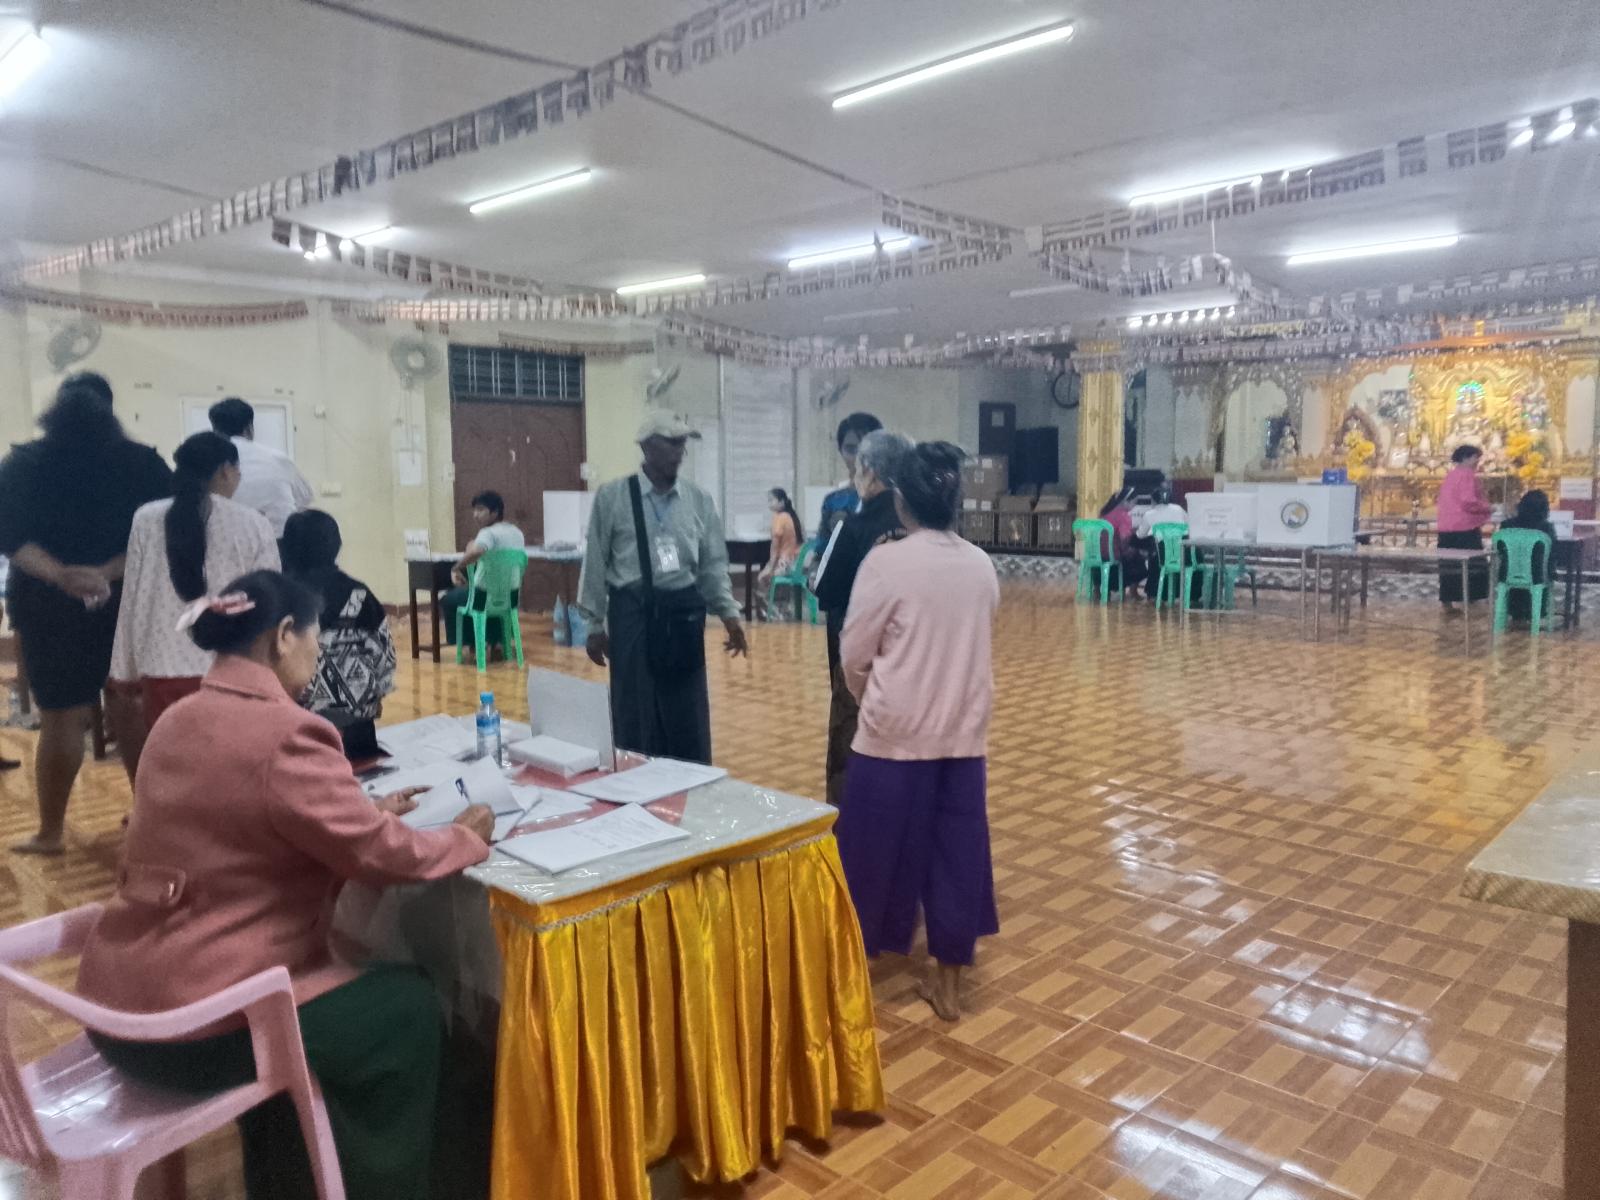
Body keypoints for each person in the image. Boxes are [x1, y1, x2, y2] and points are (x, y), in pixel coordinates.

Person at [77, 570, 495, 1200]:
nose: (318, 652)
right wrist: (464, 837)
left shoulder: (176, 720)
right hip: (195, 1028)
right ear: (282, 636)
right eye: (314, 637)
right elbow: (380, 855)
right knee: (405, 1008)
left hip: (114, 1008)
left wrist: (359, 810)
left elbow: (235, 823)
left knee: (323, 1010)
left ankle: (287, 1181)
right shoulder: (288, 732)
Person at [835, 441, 1000, 1023]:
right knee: (957, 857)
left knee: (866, 857)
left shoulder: (886, 563)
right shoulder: (981, 566)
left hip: (892, 736)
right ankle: (948, 988)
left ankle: (849, 979)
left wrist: (872, 702)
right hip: (962, 736)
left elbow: (854, 654)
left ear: (901, 500)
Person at [0, 374, 172, 854]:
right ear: (110, 410)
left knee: (61, 717)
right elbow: (162, 532)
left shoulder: (23, 463)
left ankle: (50, 833)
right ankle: (152, 825)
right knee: (130, 710)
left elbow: (9, 537)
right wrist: (105, 572)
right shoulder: (143, 463)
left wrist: (61, 575)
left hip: (46, 605)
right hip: (124, 600)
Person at [576, 412, 748, 764]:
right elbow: (595, 562)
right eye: (671, 442)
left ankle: (689, 780)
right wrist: (593, 624)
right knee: (636, 712)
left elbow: (713, 565)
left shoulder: (698, 500)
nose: (679, 451)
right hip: (633, 616)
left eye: (683, 443)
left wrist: (729, 615)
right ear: (647, 447)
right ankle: (637, 779)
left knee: (687, 712)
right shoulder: (613, 497)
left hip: (683, 617)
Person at [108, 432, 279, 784]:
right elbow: (270, 602)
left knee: (175, 769)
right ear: (226, 471)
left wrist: (124, 669)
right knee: (230, 769)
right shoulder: (252, 523)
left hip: (162, 667)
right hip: (233, 667)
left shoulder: (146, 518)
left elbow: (133, 596)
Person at [814, 429, 912, 806]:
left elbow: (824, 588)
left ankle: (851, 822)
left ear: (868, 471)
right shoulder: (920, 525)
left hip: (860, 664)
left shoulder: (852, 525)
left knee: (852, 748)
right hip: (912, 660)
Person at [282, 510, 397, 759]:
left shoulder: (280, 598)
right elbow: (385, 657)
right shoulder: (360, 594)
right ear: (336, 545)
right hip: (357, 727)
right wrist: (374, 697)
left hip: (298, 727)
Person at [208, 397, 313, 539]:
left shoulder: (206, 463)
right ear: (249, 428)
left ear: (215, 431)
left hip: (226, 542)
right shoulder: (278, 459)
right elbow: (304, 498)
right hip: (279, 542)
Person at [441, 490, 526, 647]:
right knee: (478, 595)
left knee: (449, 599)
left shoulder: (487, 533)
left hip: (484, 598)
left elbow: (477, 551)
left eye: (480, 510)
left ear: (495, 512)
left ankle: (472, 644)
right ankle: (496, 641)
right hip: (511, 598)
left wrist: (456, 567)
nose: (475, 515)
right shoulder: (517, 532)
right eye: (474, 510)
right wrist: (472, 546)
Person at [1438, 444, 1493, 609]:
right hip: (1464, 527)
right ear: (1465, 458)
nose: (1477, 461)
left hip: (1446, 527)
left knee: (1449, 566)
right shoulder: (1467, 475)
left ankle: (1447, 601)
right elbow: (1468, 501)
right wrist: (1488, 508)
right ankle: (1473, 599)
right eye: (1475, 458)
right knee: (1474, 566)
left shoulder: (1451, 475)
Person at [819, 412, 884, 540]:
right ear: (840, 451)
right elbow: (823, 547)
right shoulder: (833, 502)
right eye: (851, 449)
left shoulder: (897, 500)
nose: (859, 457)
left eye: (867, 449)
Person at [1497, 488, 1557, 623]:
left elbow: (1500, 549)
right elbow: (1553, 552)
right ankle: (1535, 613)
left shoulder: (1506, 525)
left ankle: (1515, 613)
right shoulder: (1546, 528)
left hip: (1508, 574)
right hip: (1537, 575)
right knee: (1542, 571)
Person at [756, 487, 804, 620]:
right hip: (794, 564)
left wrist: (770, 568)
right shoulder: (790, 515)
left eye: (772, 500)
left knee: (762, 578)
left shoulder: (779, 518)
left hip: (784, 564)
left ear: (782, 501)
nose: (769, 503)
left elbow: (775, 547)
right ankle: (783, 608)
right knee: (767, 575)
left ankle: (770, 611)